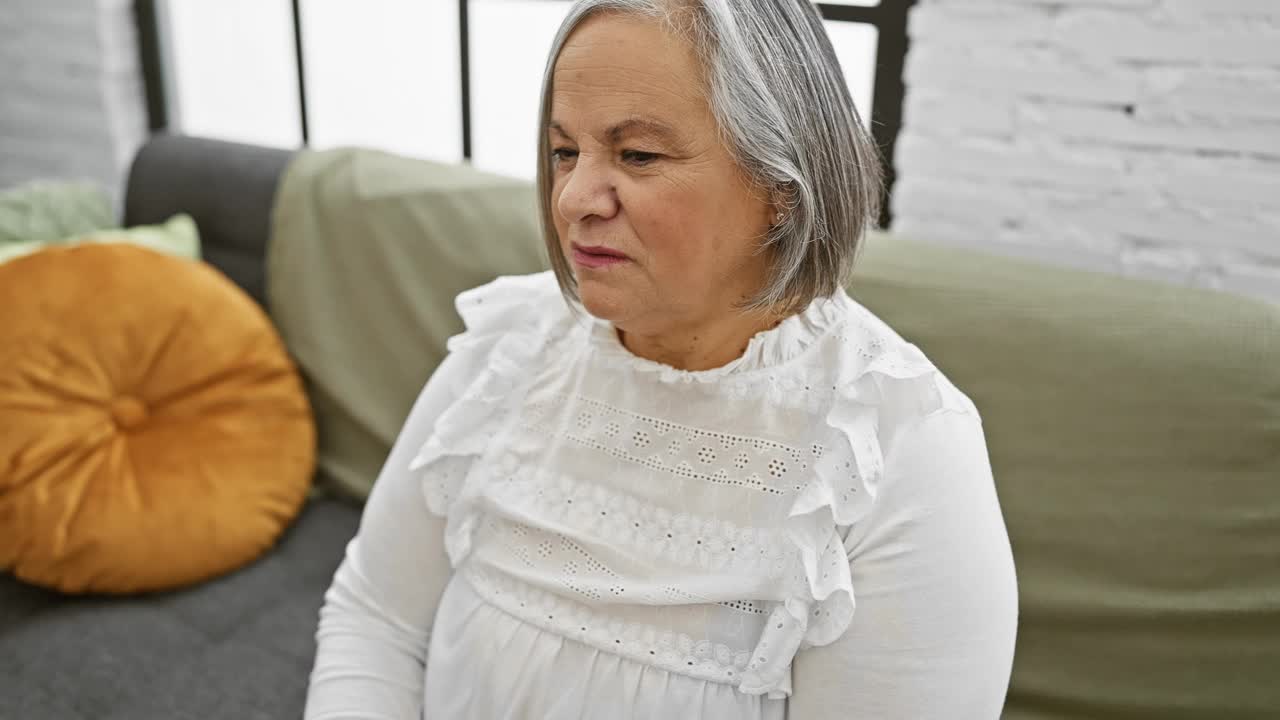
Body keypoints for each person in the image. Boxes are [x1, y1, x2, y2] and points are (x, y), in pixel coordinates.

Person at [304, 0, 1017, 717]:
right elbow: (377, 620)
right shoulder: (509, 348)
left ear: (780, 184)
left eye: (637, 154)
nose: (575, 196)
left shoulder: (897, 445)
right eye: (563, 151)